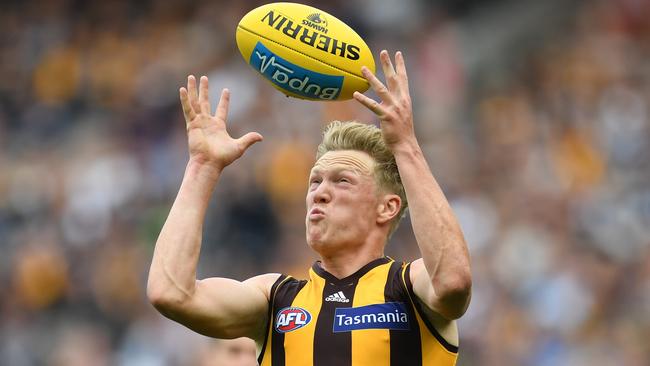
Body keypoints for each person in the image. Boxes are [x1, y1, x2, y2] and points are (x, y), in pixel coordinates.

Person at [147, 50, 472, 365]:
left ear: (386, 207)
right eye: (315, 182)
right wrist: (202, 167)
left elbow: (453, 281)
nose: (320, 193)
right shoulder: (274, 299)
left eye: (342, 181)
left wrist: (405, 146)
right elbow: (172, 293)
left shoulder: (409, 287)